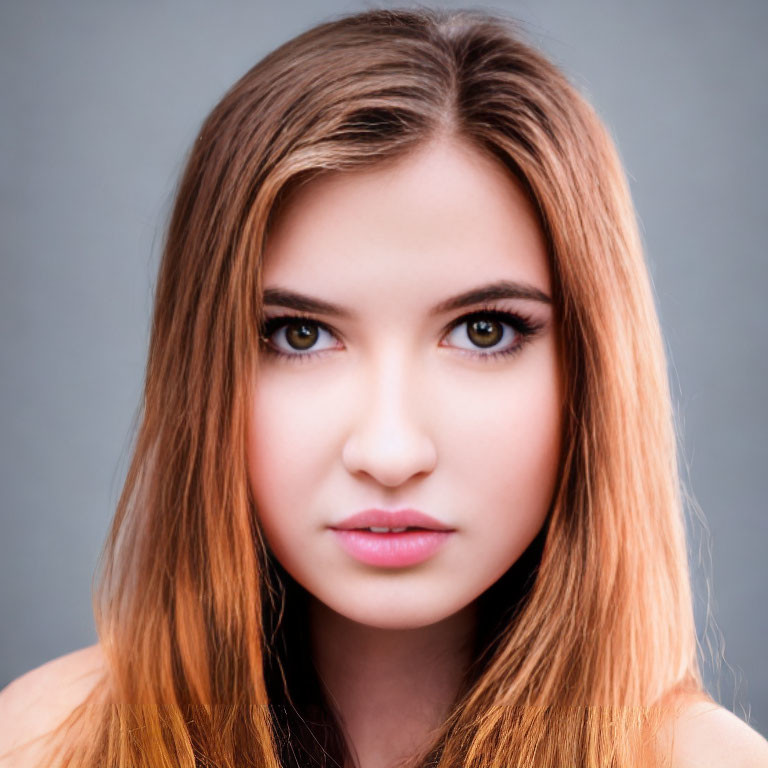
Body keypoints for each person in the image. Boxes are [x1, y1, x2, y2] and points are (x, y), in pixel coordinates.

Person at [1, 7, 766, 768]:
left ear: (593, 372)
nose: (391, 452)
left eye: (485, 331)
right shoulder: (42, 743)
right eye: (299, 334)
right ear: (201, 366)